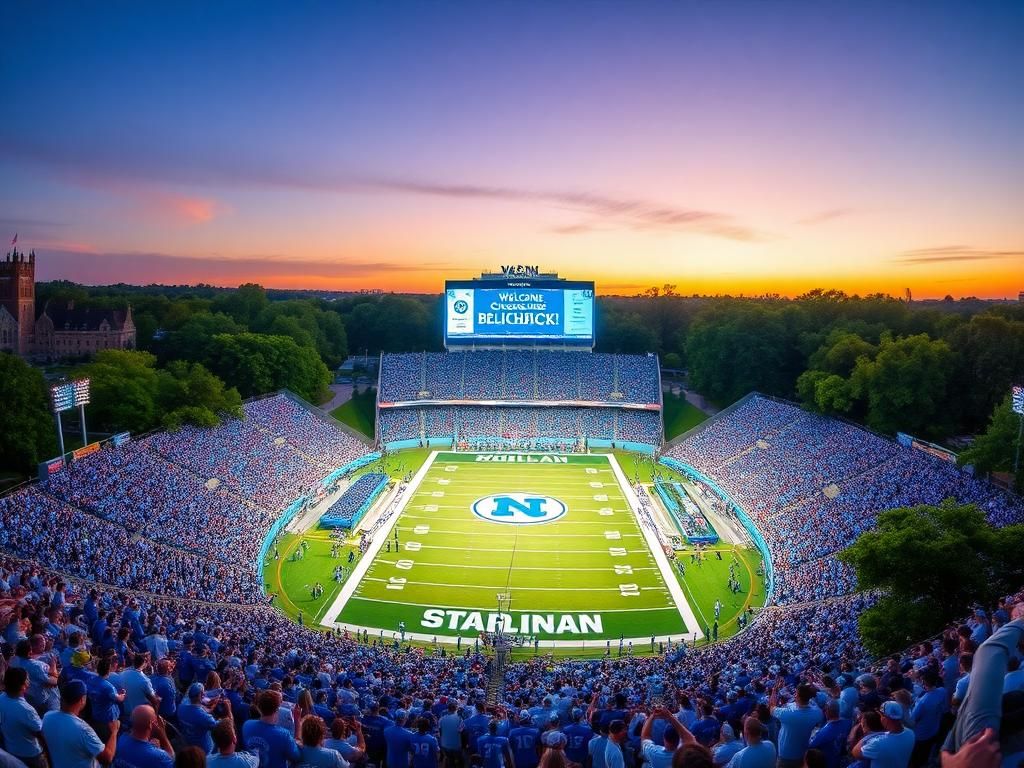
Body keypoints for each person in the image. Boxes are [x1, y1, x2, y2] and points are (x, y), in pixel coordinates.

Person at [42, 680, 119, 768]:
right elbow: (107, 758)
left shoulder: (47, 717)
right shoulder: (83, 729)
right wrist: (114, 732)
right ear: (82, 699)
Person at [241, 690, 301, 768]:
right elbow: (297, 757)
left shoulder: (247, 725)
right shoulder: (284, 735)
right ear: (277, 709)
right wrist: (297, 721)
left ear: (259, 707)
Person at [0, 667, 45, 768]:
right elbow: (40, 731)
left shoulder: (1, 698)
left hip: (11, 750)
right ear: (23, 686)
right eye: (27, 679)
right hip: (31, 754)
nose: (29, 681)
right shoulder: (26, 710)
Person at [770, 683, 822, 768]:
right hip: (802, 753)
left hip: (785, 755)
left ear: (798, 697)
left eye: (796, 694)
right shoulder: (817, 713)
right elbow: (814, 706)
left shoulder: (787, 714)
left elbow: (771, 708)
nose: (794, 695)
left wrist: (773, 691)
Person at [850, 701, 915, 768]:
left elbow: (855, 752)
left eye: (881, 716)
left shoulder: (878, 743)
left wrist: (869, 735)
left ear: (885, 718)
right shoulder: (911, 733)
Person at [178, 682, 225, 754]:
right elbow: (218, 726)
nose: (204, 695)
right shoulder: (204, 717)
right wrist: (222, 719)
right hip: (204, 747)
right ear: (200, 696)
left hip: (188, 739)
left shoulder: (181, 705)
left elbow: (206, 694)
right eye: (202, 693)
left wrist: (219, 690)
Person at [438, 699, 465, 768]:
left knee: (450, 760)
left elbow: (440, 733)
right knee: (459, 761)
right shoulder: (459, 719)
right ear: (455, 709)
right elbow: (461, 732)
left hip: (445, 745)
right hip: (456, 745)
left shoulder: (441, 719)